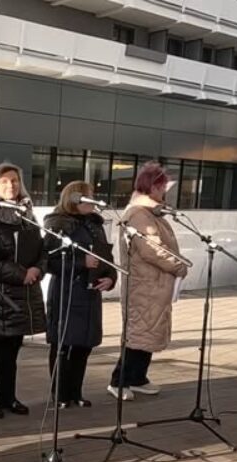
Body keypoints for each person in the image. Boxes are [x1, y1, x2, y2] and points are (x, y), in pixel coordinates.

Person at [109, 161, 188, 401]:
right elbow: (151, 249)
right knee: (139, 333)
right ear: (152, 186)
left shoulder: (151, 213)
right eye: (162, 186)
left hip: (154, 285)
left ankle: (138, 377)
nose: (164, 191)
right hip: (144, 285)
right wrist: (178, 265)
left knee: (149, 332)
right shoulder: (139, 214)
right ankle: (119, 381)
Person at [0, 162, 47, 419]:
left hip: (22, 294)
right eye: (4, 181)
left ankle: (8, 396)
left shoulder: (27, 216)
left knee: (13, 350)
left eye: (14, 180)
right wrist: (21, 273)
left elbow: (42, 249)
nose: (11, 185)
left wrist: (37, 269)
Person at [44, 181, 117, 408]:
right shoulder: (57, 223)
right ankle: (59, 394)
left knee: (84, 345)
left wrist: (110, 277)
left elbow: (106, 257)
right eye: (87, 196)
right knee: (63, 344)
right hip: (67, 292)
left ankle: (76, 392)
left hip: (90, 292)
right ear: (74, 198)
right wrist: (80, 262)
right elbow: (49, 260)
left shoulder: (96, 225)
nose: (92, 200)